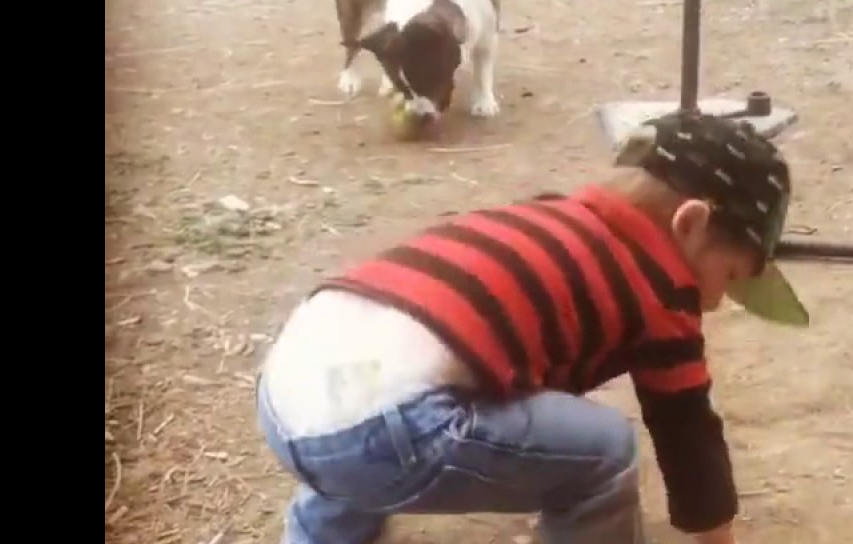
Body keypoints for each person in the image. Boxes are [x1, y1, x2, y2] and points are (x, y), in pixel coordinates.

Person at [255, 110, 808, 544]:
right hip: (384, 431)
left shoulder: (552, 219)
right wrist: (720, 537)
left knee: (383, 397)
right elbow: (686, 431)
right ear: (691, 223)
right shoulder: (662, 287)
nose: (714, 301)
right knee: (604, 453)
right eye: (729, 275)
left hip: (290, 390)